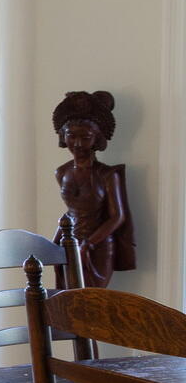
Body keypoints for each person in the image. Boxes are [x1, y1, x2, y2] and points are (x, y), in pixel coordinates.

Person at [53, 90, 135, 286]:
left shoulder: (106, 175)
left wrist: (88, 244)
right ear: (63, 137)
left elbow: (117, 216)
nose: (78, 144)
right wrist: (53, 243)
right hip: (69, 244)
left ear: (97, 139)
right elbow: (70, 212)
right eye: (72, 136)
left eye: (86, 137)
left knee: (92, 304)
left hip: (97, 249)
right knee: (67, 303)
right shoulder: (62, 172)